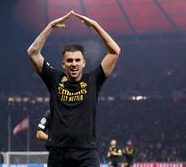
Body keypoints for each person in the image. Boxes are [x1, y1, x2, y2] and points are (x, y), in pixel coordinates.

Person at [27, 10, 121, 167]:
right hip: (58, 153)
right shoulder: (54, 79)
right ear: (63, 64)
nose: (74, 64)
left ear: (83, 63)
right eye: (69, 60)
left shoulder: (93, 79)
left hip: (86, 152)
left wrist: (95, 26)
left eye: (78, 60)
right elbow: (32, 52)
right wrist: (50, 26)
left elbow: (115, 51)